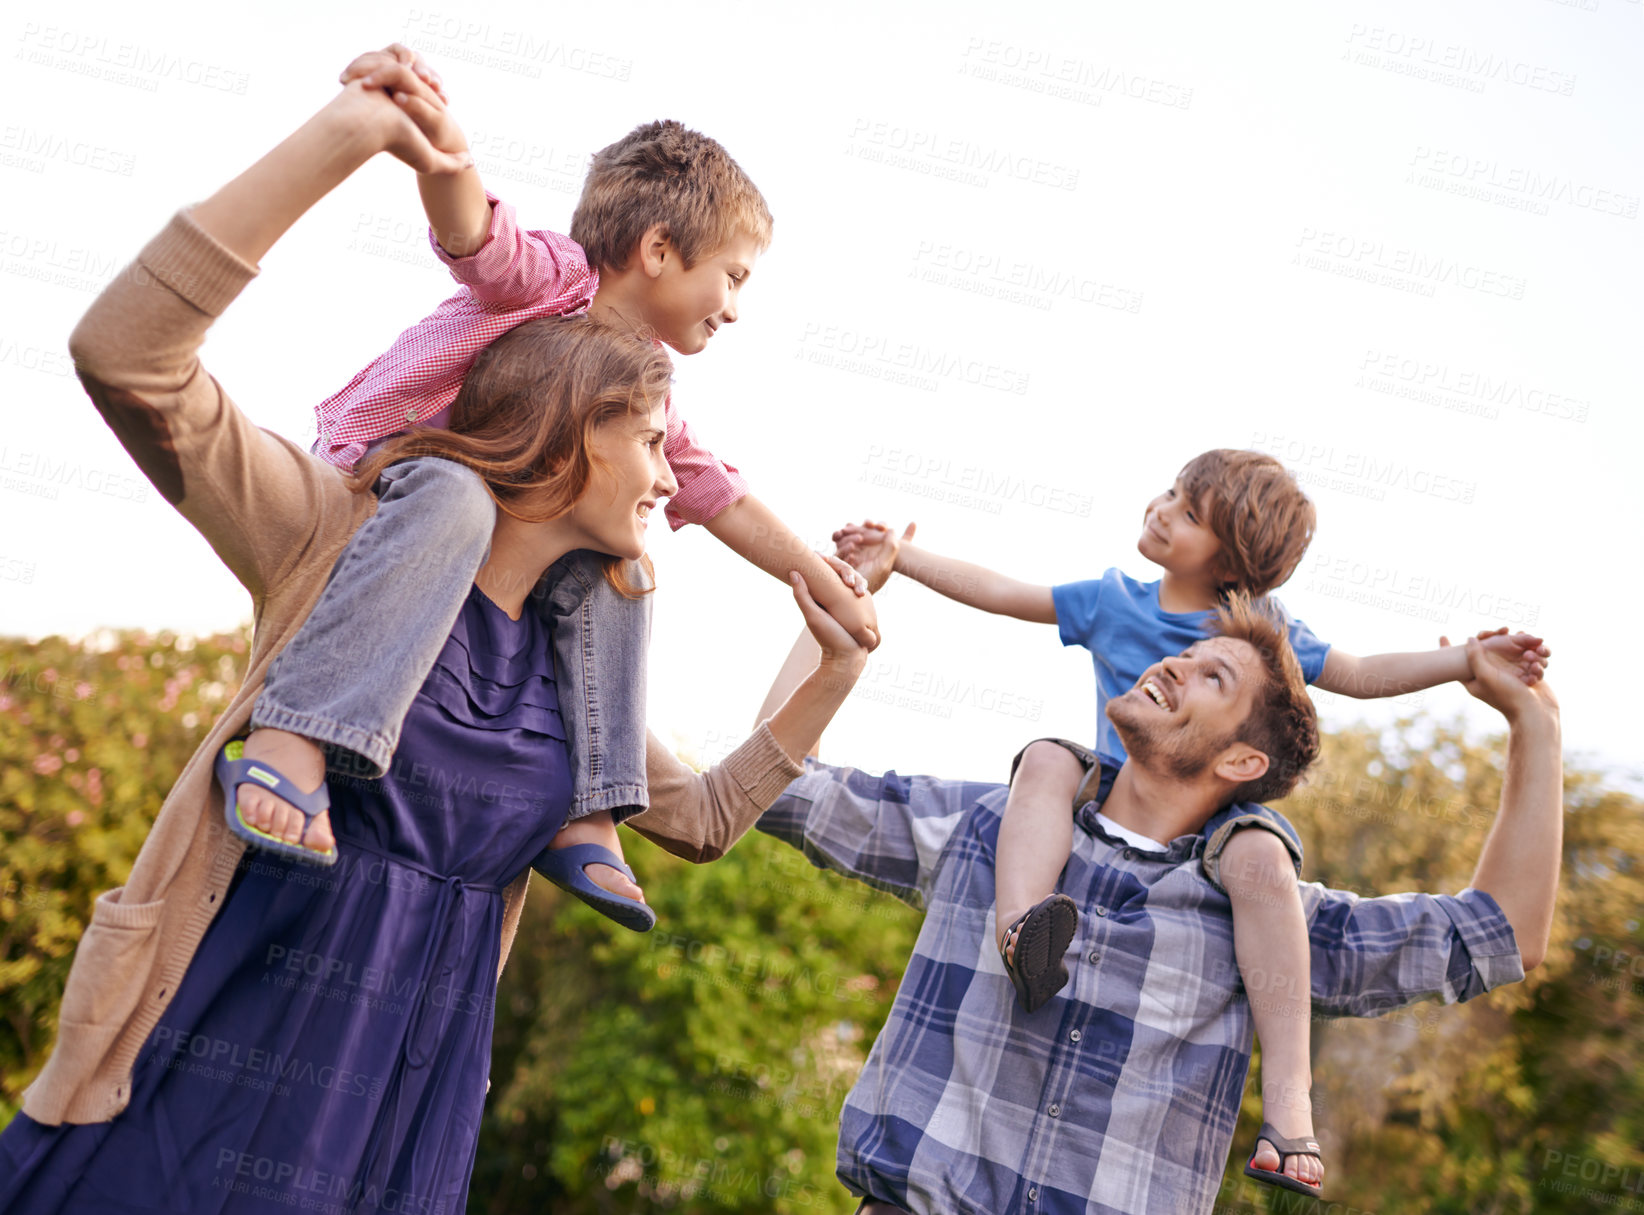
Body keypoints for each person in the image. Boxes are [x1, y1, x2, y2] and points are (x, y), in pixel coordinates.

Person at [0, 66, 874, 1215]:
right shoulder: (338, 546)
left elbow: (705, 822)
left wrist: (837, 664)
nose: (674, 475)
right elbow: (129, 357)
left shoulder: (576, 663)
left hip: (399, 1118)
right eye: (654, 440)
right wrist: (349, 137)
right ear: (575, 428)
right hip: (198, 1069)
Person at [229, 44, 877, 932]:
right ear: (657, 249)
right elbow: (477, 239)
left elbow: (708, 486)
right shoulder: (557, 281)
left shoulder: (643, 378)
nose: (735, 305)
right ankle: (298, 734)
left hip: (498, 528)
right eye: (732, 275)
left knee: (623, 566)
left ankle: (589, 807)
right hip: (394, 478)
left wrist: (816, 574)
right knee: (457, 494)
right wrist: (444, 153)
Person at [756, 534, 1561, 1215]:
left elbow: (1500, 934)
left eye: (1214, 676)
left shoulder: (1265, 916)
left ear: (1242, 759)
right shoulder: (995, 827)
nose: (1175, 666)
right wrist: (838, 637)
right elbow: (777, 787)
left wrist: (1534, 723)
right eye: (1185, 653)